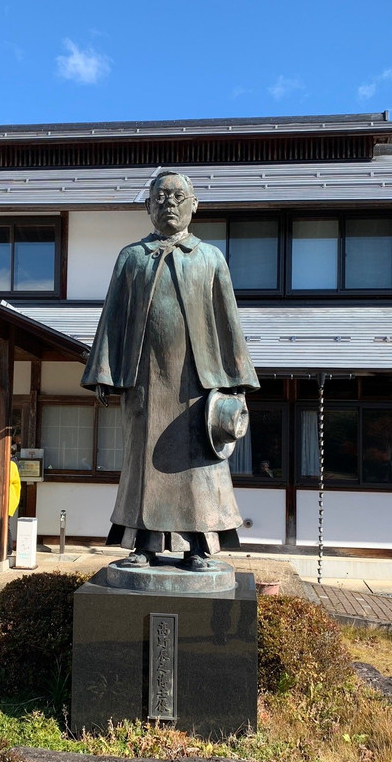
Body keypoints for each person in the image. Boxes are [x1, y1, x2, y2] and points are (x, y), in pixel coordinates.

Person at [81, 171, 259, 571]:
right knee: (143, 465)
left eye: (179, 196)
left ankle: (198, 546)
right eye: (160, 197)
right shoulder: (131, 258)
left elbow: (228, 321)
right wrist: (104, 372)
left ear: (195, 205)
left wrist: (237, 382)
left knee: (198, 468)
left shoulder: (210, 257)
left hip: (199, 383)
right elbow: (112, 318)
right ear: (147, 206)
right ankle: (143, 544)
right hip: (144, 379)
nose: (169, 204)